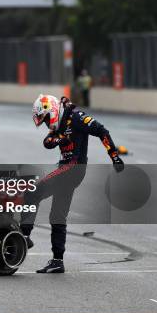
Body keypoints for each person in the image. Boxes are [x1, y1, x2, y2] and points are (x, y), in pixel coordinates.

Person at [21, 94, 124, 273]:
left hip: (73, 168)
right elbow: (47, 142)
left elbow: (102, 130)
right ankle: (57, 261)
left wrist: (114, 156)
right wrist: (60, 139)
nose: (46, 123)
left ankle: (24, 236)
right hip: (65, 169)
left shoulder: (76, 117)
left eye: (45, 119)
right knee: (57, 215)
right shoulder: (60, 121)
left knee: (33, 191)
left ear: (51, 110)